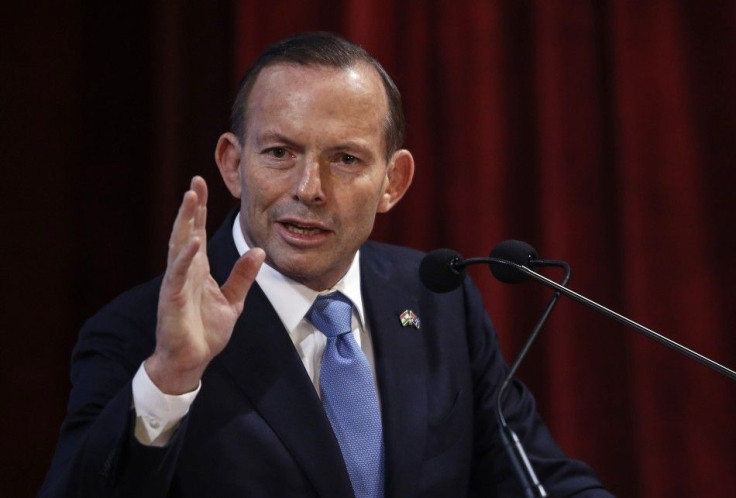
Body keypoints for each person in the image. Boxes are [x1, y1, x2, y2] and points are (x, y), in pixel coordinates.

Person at [40, 32, 613, 497]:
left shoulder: (438, 300)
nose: (309, 189)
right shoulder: (140, 332)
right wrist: (170, 378)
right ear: (232, 164)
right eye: (280, 153)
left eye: (344, 159)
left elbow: (535, 479)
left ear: (394, 181)